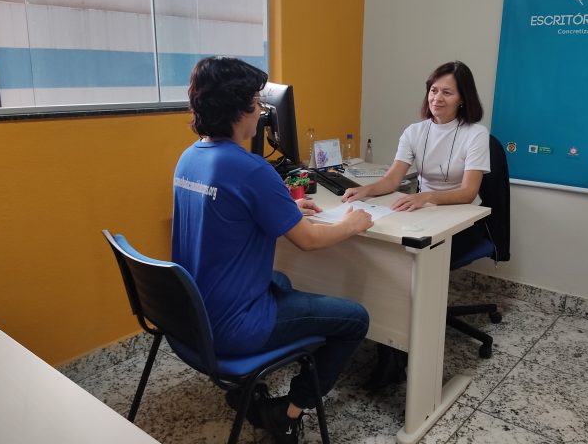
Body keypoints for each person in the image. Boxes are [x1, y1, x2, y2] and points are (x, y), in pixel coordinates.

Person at [172, 56, 373, 443]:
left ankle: (252, 383)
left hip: (190, 315)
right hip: (232, 327)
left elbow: (229, 211)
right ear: (237, 109)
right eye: (255, 102)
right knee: (355, 319)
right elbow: (309, 241)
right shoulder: (251, 169)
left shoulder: (189, 157)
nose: (261, 111)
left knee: (279, 279)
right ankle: (288, 412)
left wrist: (284, 208)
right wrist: (352, 224)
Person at [342, 60, 490, 389]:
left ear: (463, 98)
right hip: (424, 214)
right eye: (433, 90)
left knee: (403, 270)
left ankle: (396, 354)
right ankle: (391, 347)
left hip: (462, 221)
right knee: (388, 261)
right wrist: (365, 190)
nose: (437, 98)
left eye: (447, 92)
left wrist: (427, 197)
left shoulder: (476, 135)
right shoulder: (415, 131)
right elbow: (393, 180)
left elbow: (469, 192)